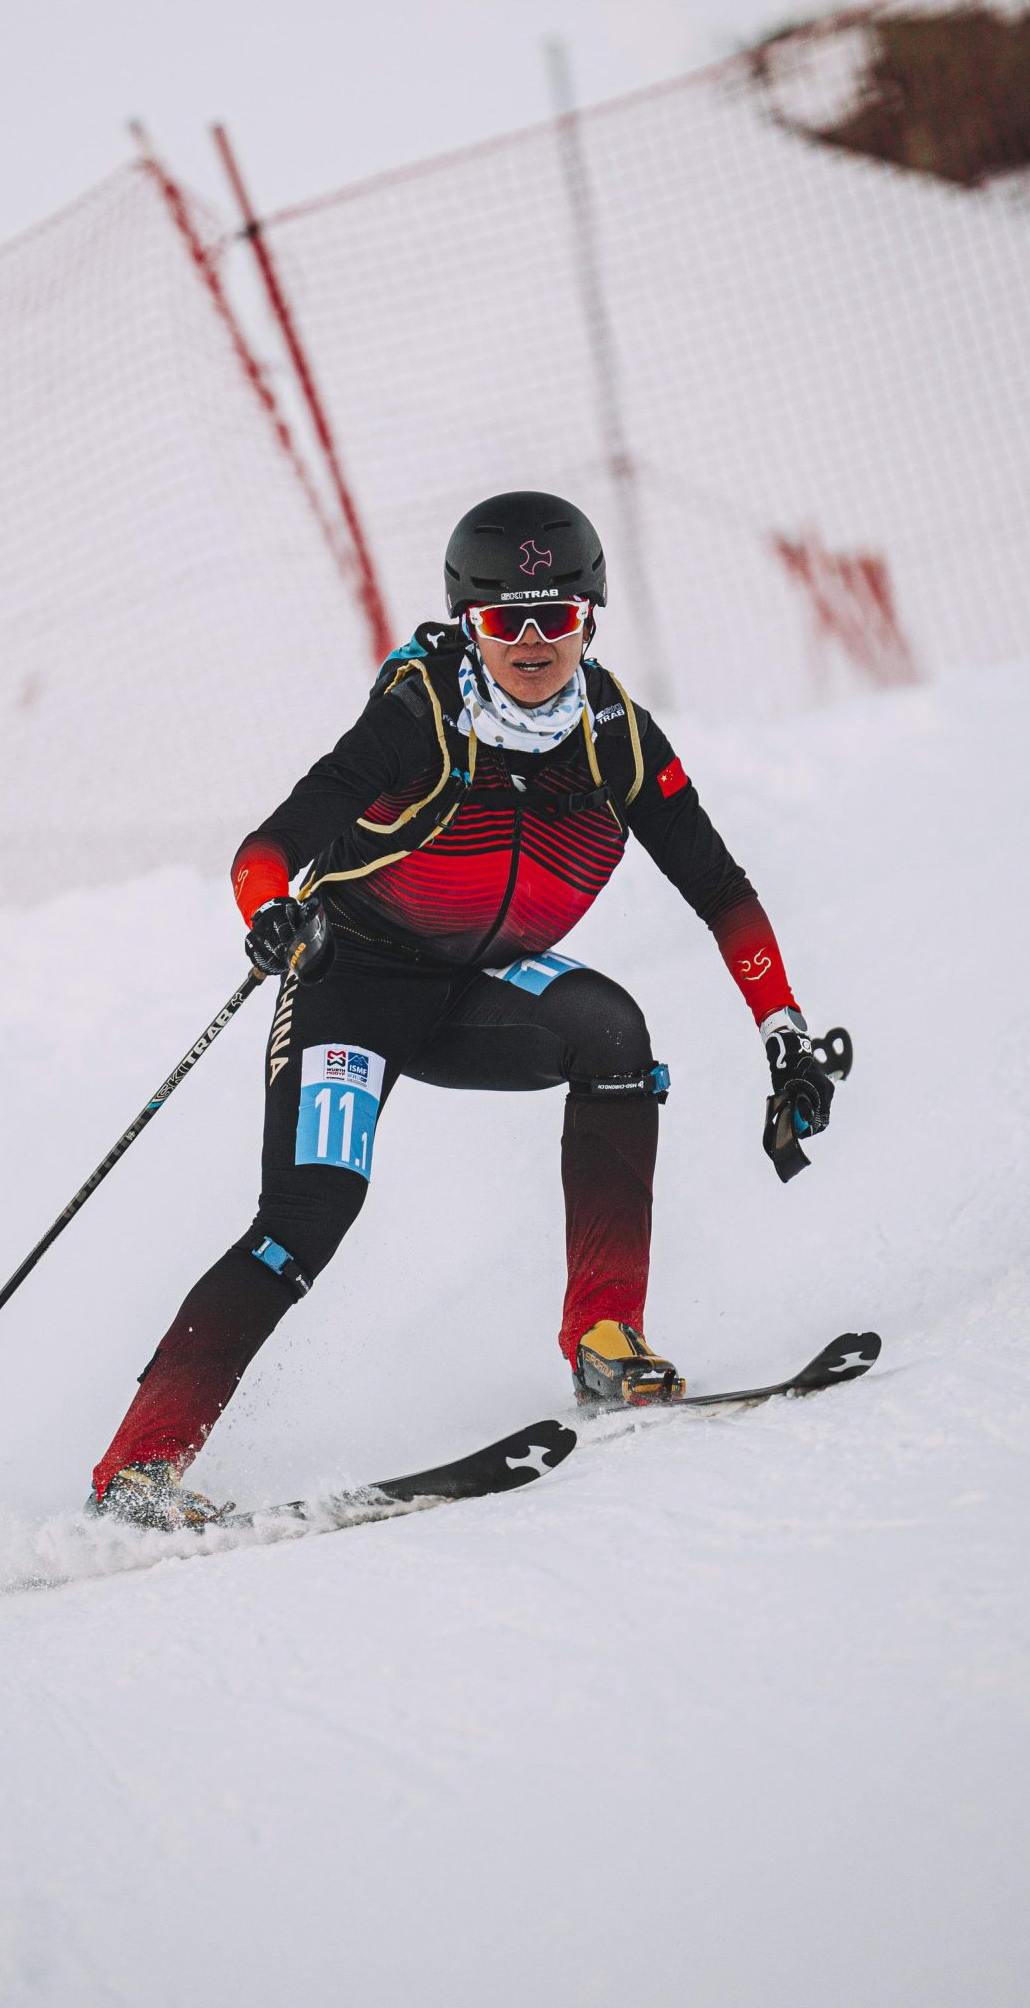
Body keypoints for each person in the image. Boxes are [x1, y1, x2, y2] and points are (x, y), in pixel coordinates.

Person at [92, 491, 841, 1527]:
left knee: (613, 1034)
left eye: (555, 617)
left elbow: (723, 890)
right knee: (311, 1213)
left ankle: (607, 1340)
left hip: (476, 989)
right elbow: (267, 850)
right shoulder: (419, 720)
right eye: (501, 621)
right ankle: (137, 1471)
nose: (530, 643)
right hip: (351, 983)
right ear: (469, 623)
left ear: (591, 616)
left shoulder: (617, 737)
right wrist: (271, 915)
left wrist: (783, 1026)